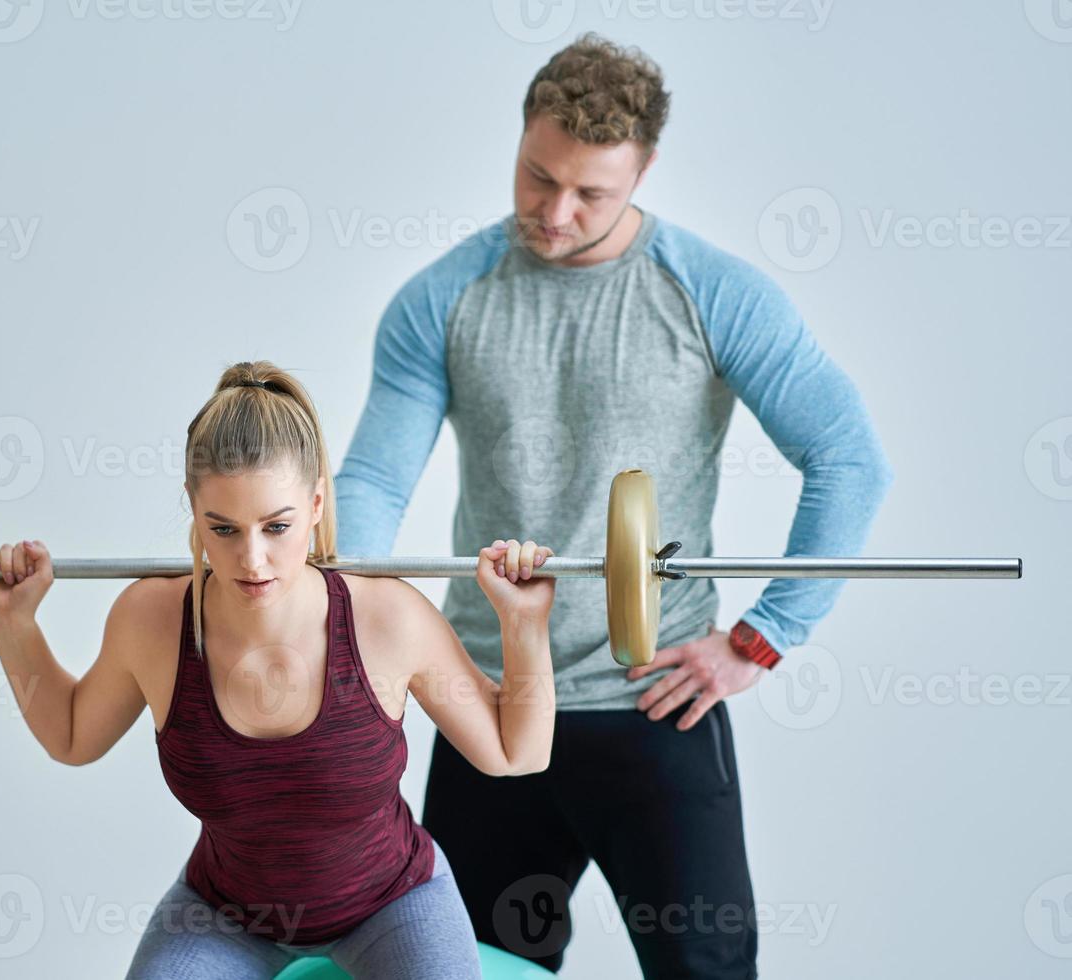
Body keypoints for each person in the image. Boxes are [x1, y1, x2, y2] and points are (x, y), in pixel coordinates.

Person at [334, 33, 893, 978]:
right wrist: (343, 622)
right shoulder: (443, 299)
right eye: (536, 176)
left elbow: (847, 457)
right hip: (488, 707)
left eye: (590, 193)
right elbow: (375, 483)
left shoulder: (711, 294)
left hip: (655, 706)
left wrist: (763, 637)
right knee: (458, 974)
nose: (554, 213)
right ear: (520, 139)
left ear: (645, 171)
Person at [0, 360, 560, 980]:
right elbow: (72, 736)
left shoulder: (386, 619)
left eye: (276, 526)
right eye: (222, 528)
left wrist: (524, 627)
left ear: (315, 504)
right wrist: (15, 626)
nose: (251, 559)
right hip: (227, 914)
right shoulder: (151, 619)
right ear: (193, 511)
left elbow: (514, 752)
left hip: (391, 901)